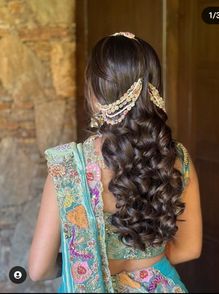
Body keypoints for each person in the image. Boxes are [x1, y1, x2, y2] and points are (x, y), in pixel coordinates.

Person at [28, 32, 202, 293]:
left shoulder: (67, 166)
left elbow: (38, 269)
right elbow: (189, 248)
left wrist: (82, 264)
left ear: (94, 92)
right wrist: (145, 259)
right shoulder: (176, 158)